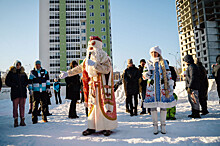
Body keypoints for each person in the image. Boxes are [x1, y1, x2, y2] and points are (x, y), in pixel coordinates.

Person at [59, 36, 117, 136]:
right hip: (93, 86)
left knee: (103, 107)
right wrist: (67, 73)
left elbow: (107, 69)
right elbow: (79, 69)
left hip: (103, 86)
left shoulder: (104, 56)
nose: (90, 49)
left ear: (98, 47)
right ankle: (92, 127)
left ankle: (106, 127)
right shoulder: (87, 59)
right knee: (92, 107)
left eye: (92, 46)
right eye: (89, 46)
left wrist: (95, 65)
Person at [142, 46, 176, 134]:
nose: (154, 54)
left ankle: (163, 125)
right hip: (152, 89)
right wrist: (147, 73)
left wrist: (170, 83)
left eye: (155, 52)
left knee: (163, 107)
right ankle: (155, 126)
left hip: (162, 88)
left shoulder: (163, 62)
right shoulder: (148, 62)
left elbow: (168, 73)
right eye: (152, 52)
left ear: (159, 53)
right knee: (153, 108)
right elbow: (144, 77)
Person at [5, 60, 28, 127]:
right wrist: (14, 85)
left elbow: (27, 81)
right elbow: (7, 82)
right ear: (15, 65)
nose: (18, 66)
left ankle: (22, 120)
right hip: (15, 93)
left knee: (22, 107)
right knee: (15, 107)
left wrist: (24, 85)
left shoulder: (23, 73)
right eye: (17, 64)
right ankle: (16, 120)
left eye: (19, 64)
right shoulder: (11, 73)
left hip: (23, 93)